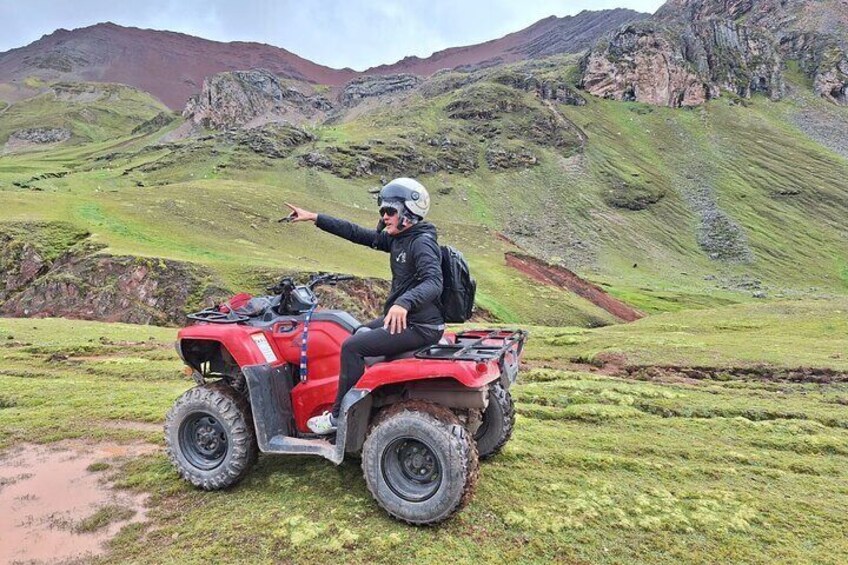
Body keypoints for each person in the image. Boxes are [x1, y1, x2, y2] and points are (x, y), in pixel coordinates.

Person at [284, 177, 444, 434]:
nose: (385, 216)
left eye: (390, 211)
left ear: (408, 213)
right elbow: (357, 234)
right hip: (412, 319)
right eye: (382, 211)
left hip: (421, 324)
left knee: (351, 348)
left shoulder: (421, 242)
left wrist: (403, 302)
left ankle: (339, 417)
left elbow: (434, 282)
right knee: (359, 333)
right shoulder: (399, 239)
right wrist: (314, 217)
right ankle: (372, 396)